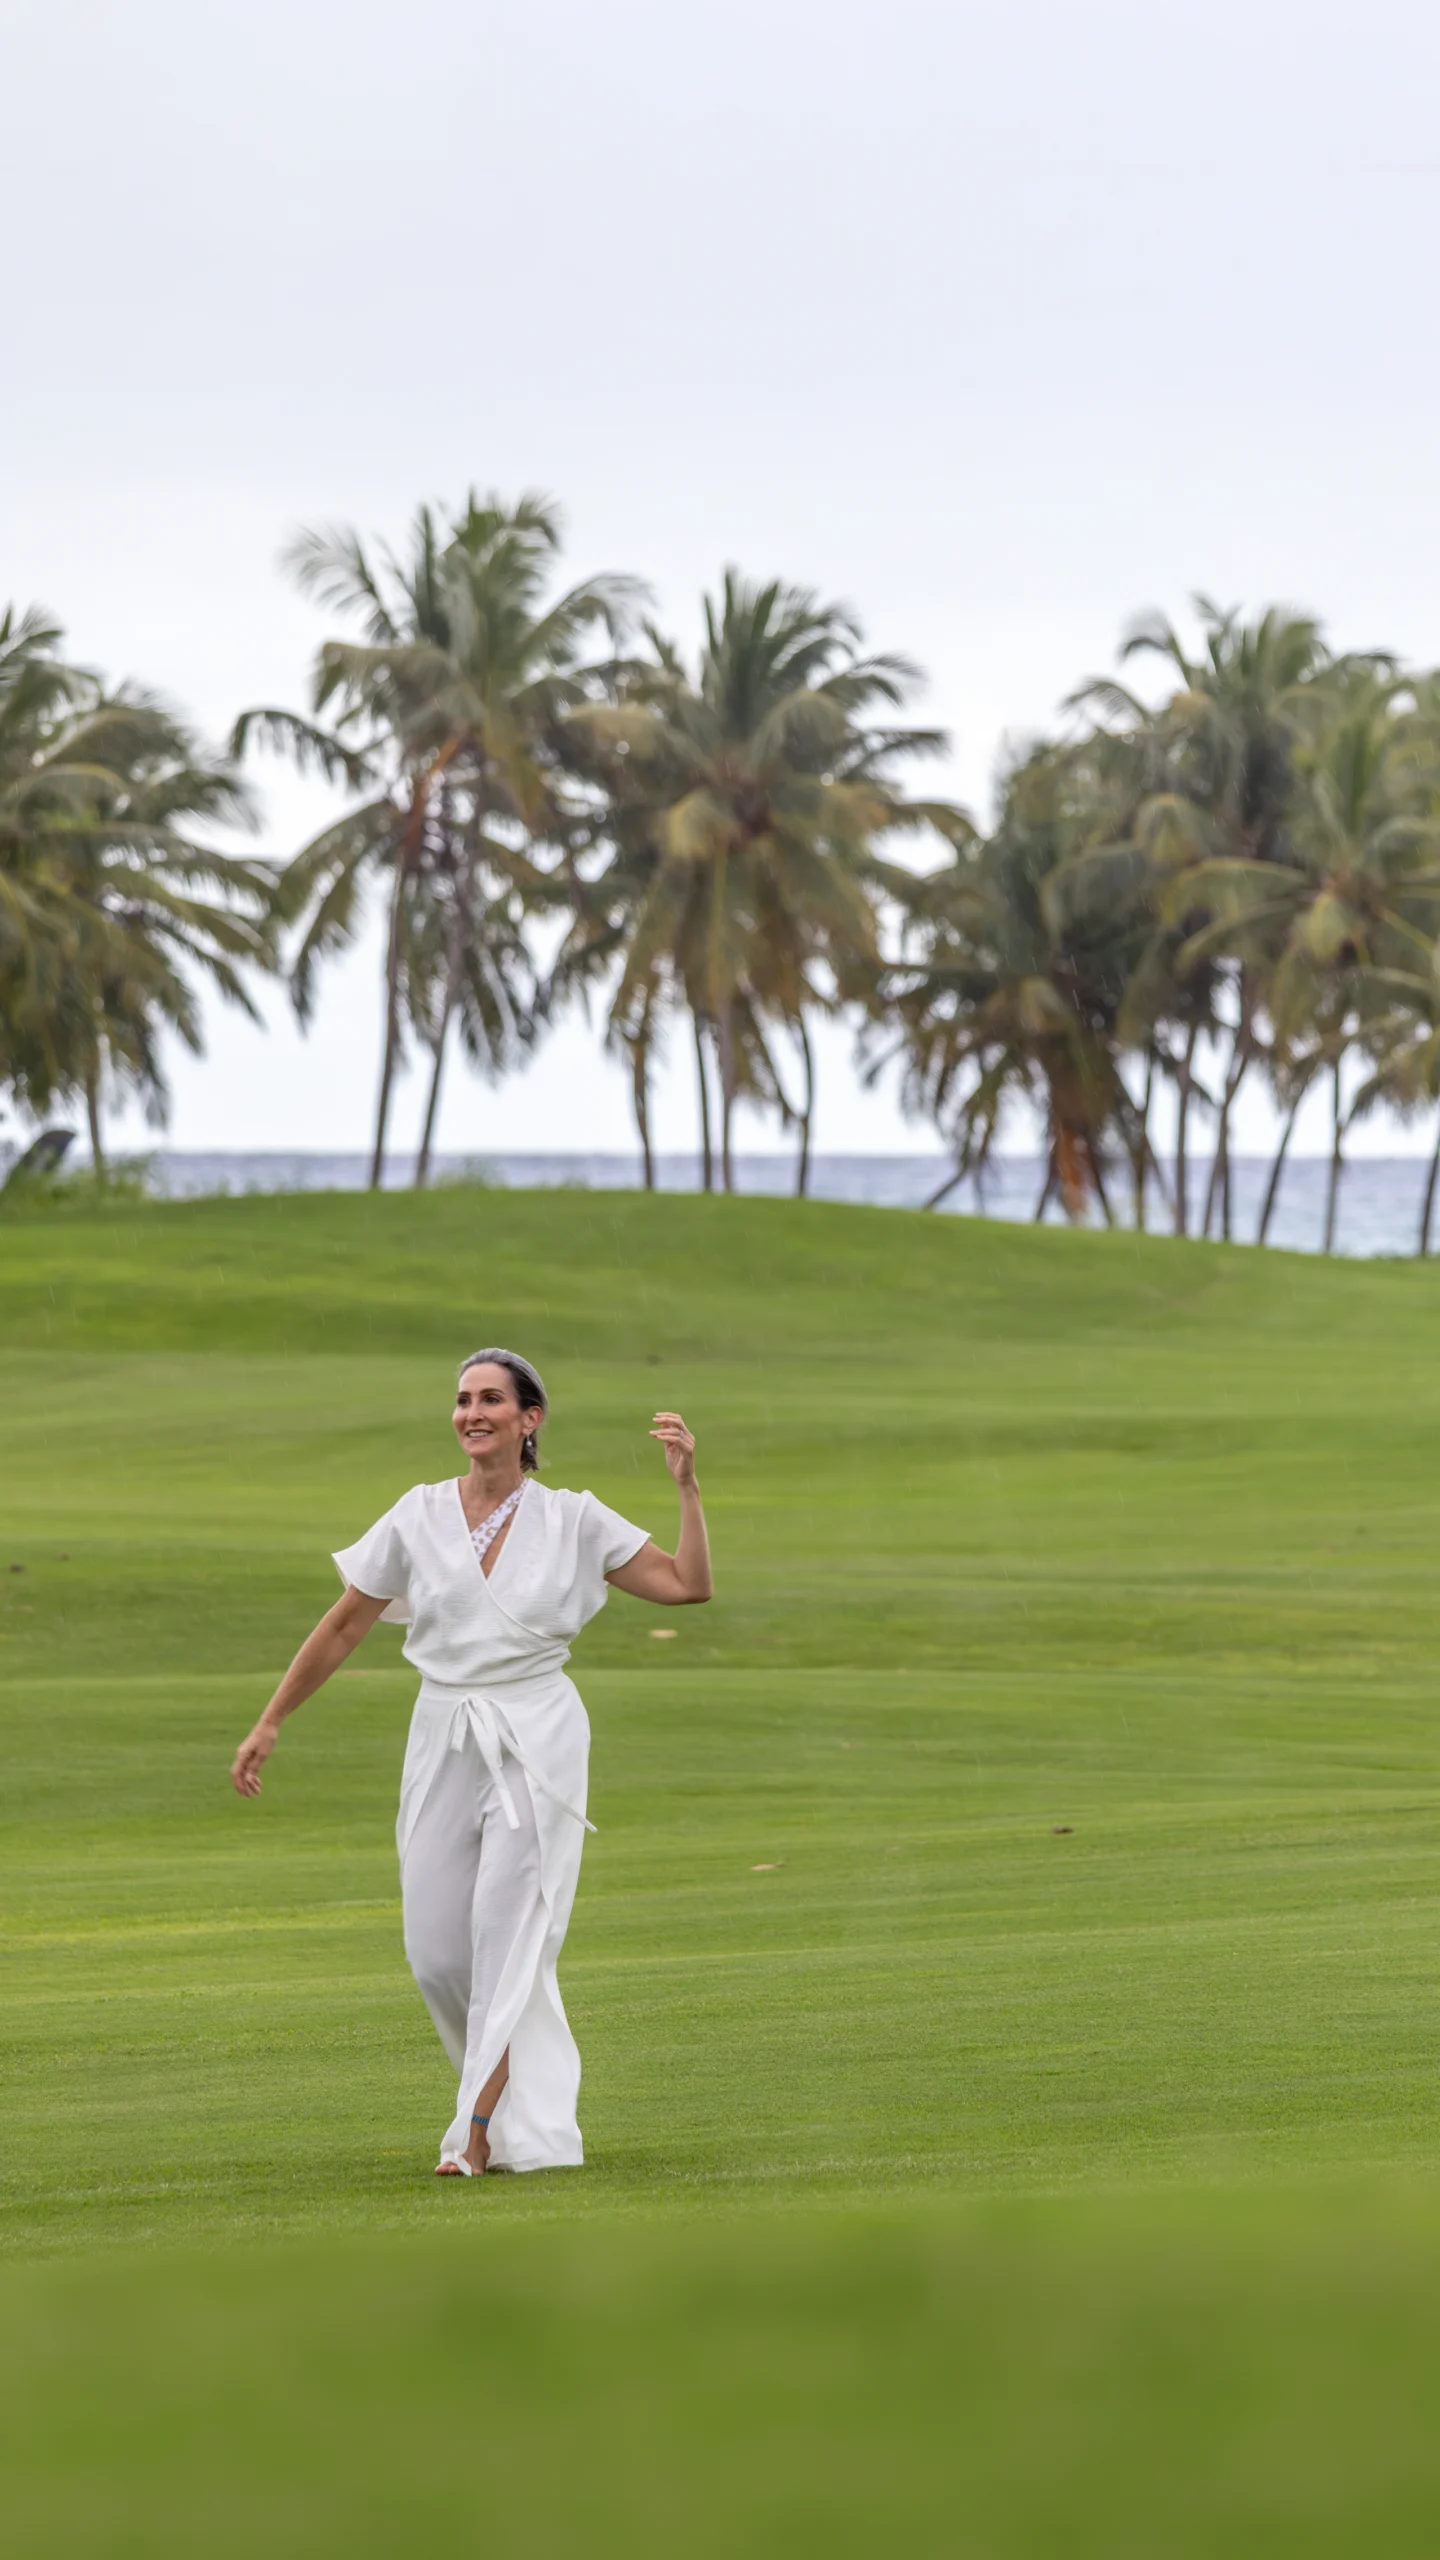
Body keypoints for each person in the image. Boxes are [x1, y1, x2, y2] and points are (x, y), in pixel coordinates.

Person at [230, 1350, 711, 2177]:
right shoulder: (417, 1514)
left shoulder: (573, 1518)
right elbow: (344, 1623)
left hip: (537, 1735)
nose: (472, 1413)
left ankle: (476, 2133)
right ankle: (516, 2109)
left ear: (530, 1419)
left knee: (507, 1937)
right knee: (438, 1956)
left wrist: (687, 1489)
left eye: (492, 1399)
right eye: (462, 1400)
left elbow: (686, 1585)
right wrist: (272, 1719)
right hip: (443, 1732)